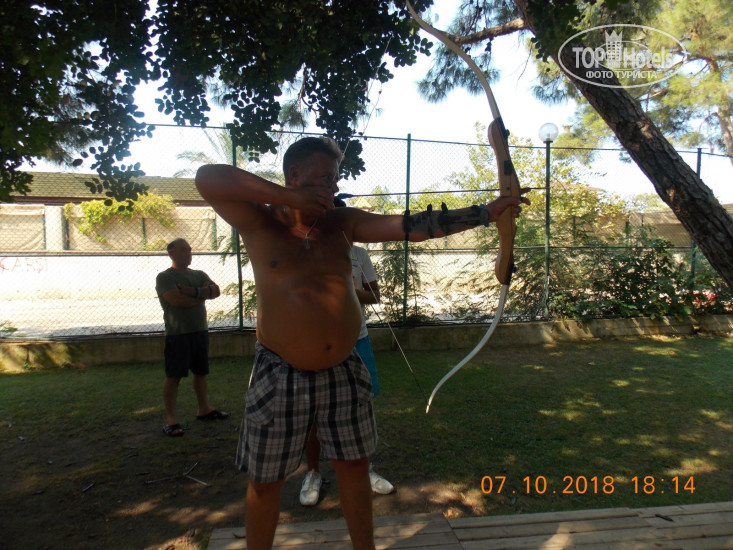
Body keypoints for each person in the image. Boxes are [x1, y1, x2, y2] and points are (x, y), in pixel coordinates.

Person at [195, 136, 528, 550]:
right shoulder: (259, 220)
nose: (333, 186)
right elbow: (207, 178)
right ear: (294, 175)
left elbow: (409, 226)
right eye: (324, 178)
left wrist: (484, 213)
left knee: (354, 467)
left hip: (344, 369)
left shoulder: (342, 222)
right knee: (265, 480)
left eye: (335, 178)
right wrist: (289, 198)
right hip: (280, 372)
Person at [299, 240, 393, 507]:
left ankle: (364, 470)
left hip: (357, 339)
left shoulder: (359, 254)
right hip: (319, 343)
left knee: (361, 407)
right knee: (314, 410)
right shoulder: (308, 251)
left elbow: (374, 296)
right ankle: (313, 473)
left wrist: (349, 290)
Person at [155, 238, 229, 437]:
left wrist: (191, 291)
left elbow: (216, 291)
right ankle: (171, 420)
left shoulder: (199, 274)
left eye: (189, 249)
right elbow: (178, 301)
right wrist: (203, 294)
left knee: (201, 372)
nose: (188, 253)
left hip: (199, 332)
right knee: (174, 376)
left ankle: (204, 409)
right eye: (183, 250)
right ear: (171, 253)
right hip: (178, 335)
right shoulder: (165, 277)